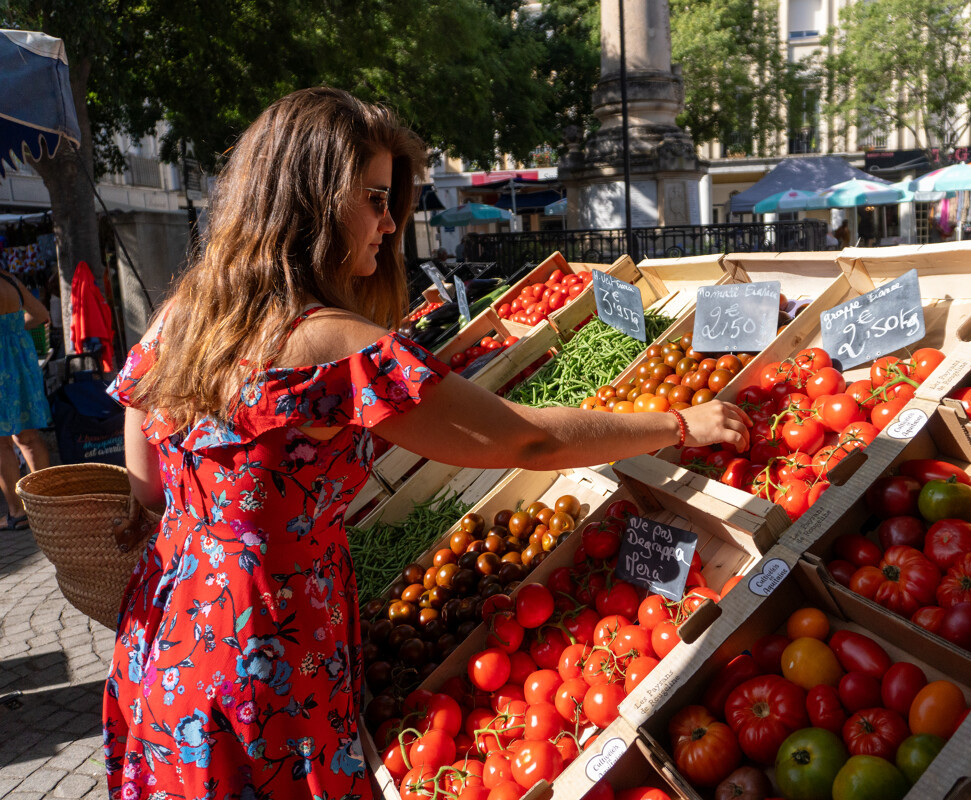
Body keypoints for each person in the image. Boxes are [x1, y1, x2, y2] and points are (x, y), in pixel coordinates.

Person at [103, 87, 750, 800]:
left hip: (171, 630)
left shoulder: (187, 311)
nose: (390, 223)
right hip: (272, 652)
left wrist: (222, 529)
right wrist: (680, 423)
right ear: (313, 199)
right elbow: (525, 441)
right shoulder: (327, 343)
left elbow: (146, 475)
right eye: (376, 199)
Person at [0, 268, 52, 530]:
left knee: (1, 446)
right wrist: (11, 328)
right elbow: (41, 315)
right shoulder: (10, 280)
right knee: (27, 437)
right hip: (20, 363)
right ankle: (45, 505)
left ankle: (17, 513)